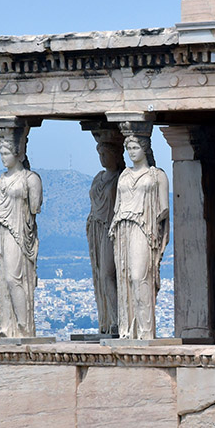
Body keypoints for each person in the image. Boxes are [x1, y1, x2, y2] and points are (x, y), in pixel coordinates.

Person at [109, 133, 169, 339]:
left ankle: (146, 330)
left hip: (144, 229)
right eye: (129, 149)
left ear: (145, 149)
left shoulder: (157, 176)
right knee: (125, 279)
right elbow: (118, 206)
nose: (132, 152)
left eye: (135, 148)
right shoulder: (124, 176)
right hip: (122, 229)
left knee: (139, 276)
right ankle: (129, 330)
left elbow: (164, 209)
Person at [0, 133, 42, 338]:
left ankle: (24, 327)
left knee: (14, 278)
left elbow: (35, 208)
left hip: (19, 232)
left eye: (6, 153)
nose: (3, 157)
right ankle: (8, 327)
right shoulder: (1, 179)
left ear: (18, 153)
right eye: (1, 153)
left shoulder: (31, 179)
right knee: (3, 279)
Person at [86, 137, 124, 336]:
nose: (102, 158)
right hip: (96, 228)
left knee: (107, 274)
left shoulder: (121, 178)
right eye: (100, 154)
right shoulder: (98, 178)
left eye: (106, 154)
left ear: (117, 156)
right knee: (101, 275)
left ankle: (120, 319)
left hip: (113, 229)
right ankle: (108, 320)